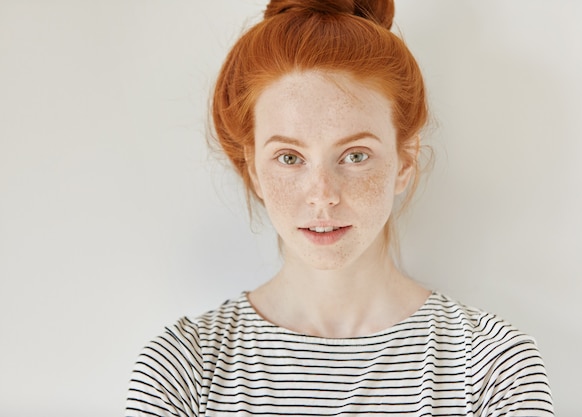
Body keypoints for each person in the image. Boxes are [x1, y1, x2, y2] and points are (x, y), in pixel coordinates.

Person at [125, 0, 554, 415]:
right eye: (290, 158)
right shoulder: (183, 370)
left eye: (355, 155)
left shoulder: (493, 369)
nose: (322, 194)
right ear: (253, 170)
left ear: (404, 162)